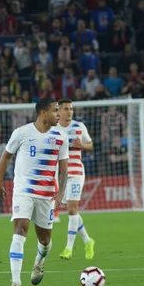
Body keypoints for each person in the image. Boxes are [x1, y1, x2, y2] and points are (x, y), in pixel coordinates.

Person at [0, 97, 68, 286]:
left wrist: (60, 193)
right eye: (55, 110)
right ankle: (16, 283)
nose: (59, 114)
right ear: (43, 113)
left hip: (46, 195)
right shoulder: (22, 133)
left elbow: (63, 170)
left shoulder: (61, 137)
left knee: (45, 240)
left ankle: (39, 260)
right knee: (20, 228)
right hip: (23, 191)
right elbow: (6, 155)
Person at [54, 99, 95, 261]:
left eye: (71, 109)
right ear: (58, 111)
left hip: (77, 172)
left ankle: (68, 248)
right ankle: (88, 240)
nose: (70, 111)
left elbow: (90, 144)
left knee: (71, 209)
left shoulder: (79, 126)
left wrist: (82, 145)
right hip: (60, 175)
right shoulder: (53, 128)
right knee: (72, 210)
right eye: (66, 109)